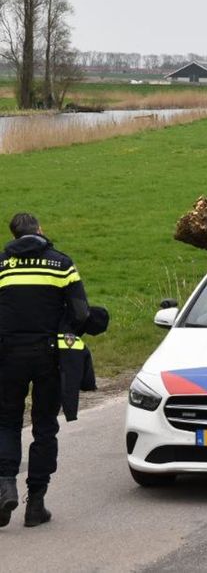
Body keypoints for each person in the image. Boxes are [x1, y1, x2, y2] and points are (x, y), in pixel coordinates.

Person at [0, 213, 89, 528]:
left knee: (7, 422)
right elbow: (80, 312)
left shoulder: (1, 265)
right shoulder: (61, 264)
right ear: (39, 231)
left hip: (7, 356)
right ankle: (35, 503)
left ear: (13, 235)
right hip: (50, 357)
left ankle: (5, 484)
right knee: (44, 426)